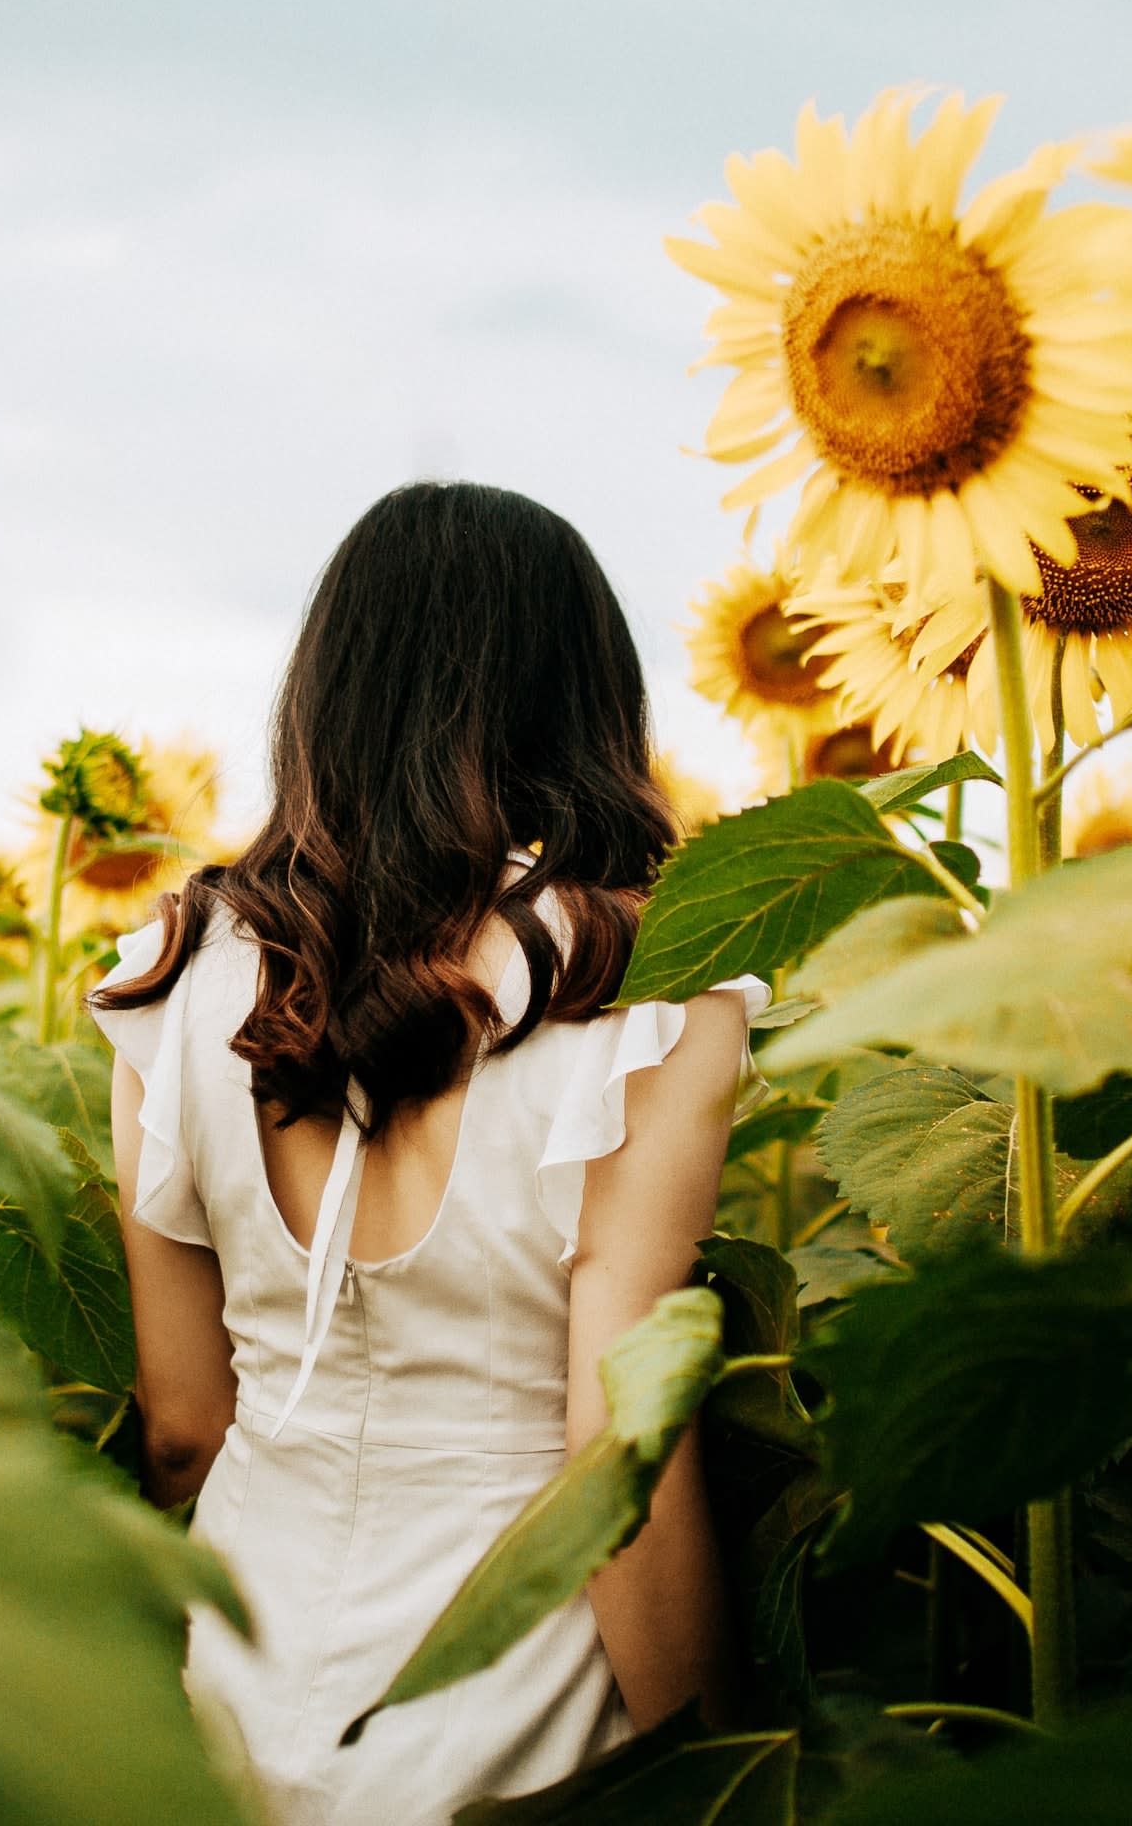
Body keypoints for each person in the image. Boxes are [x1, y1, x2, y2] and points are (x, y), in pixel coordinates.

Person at [90, 482, 760, 1825]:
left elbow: (180, 1427)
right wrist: (718, 1762)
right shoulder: (647, 981)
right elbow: (611, 1452)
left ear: (325, 690)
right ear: (584, 694)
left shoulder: (173, 977)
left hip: (241, 1697)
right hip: (520, 1713)